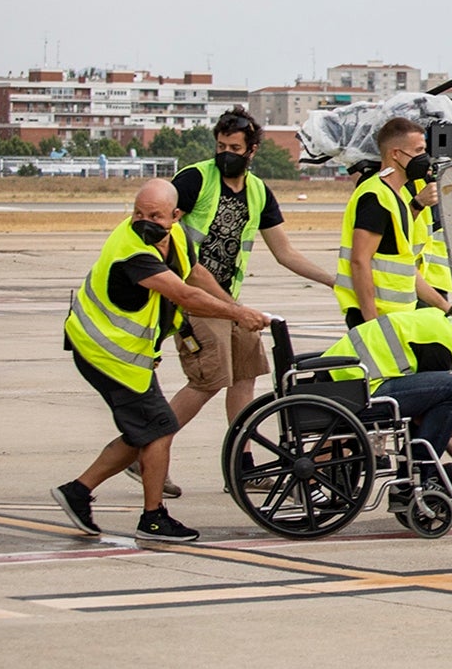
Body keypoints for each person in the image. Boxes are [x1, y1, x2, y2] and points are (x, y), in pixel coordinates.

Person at [122, 108, 335, 499]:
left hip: (225, 298)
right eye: (220, 146)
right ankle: (144, 453)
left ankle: (244, 465)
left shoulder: (257, 191)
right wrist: (231, 309)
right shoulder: (195, 179)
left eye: (234, 147)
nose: (226, 154)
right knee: (209, 378)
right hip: (191, 296)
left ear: (252, 150)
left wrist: (335, 281)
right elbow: (164, 239)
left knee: (245, 372)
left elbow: (284, 251)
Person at [51, 180, 270, 542]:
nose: (143, 220)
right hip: (103, 352)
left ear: (175, 216)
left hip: (123, 354)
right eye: (138, 212)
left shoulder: (176, 236)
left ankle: (77, 491)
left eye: (154, 215)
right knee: (160, 427)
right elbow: (185, 295)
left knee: (147, 430)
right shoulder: (133, 251)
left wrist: (235, 307)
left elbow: (194, 274)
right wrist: (237, 316)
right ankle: (152, 517)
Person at [317, 307, 452, 498]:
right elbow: (426, 419)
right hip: (353, 394)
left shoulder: (436, 320)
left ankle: (415, 480)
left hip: (340, 383)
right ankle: (413, 484)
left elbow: (448, 412)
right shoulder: (441, 345)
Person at [335, 117, 452, 328]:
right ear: (395, 154)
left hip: (398, 316)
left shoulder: (397, 197)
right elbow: (360, 261)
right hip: (378, 317)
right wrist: (372, 323)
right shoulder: (376, 196)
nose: (424, 158)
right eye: (418, 151)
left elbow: (406, 269)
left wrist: (446, 308)